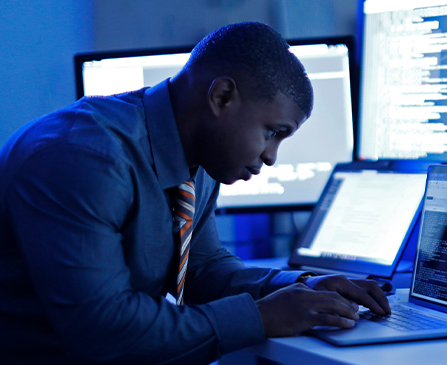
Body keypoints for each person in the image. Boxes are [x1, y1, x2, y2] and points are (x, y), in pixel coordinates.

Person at [0, 22, 390, 364]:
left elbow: (202, 270)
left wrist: (298, 286)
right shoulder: (83, 157)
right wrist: (263, 317)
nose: (271, 157)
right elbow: (103, 333)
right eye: (273, 132)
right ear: (221, 97)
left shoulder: (198, 157)